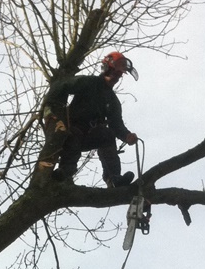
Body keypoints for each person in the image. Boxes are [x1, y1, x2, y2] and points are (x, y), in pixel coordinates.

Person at [40, 51, 139, 187]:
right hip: (72, 130)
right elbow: (61, 86)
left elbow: (116, 124)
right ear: (106, 69)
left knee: (107, 134)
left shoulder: (112, 100)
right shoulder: (88, 82)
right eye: (115, 73)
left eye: (119, 75)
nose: (116, 77)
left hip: (90, 135)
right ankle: (65, 172)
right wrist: (50, 107)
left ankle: (113, 178)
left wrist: (126, 136)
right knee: (74, 135)